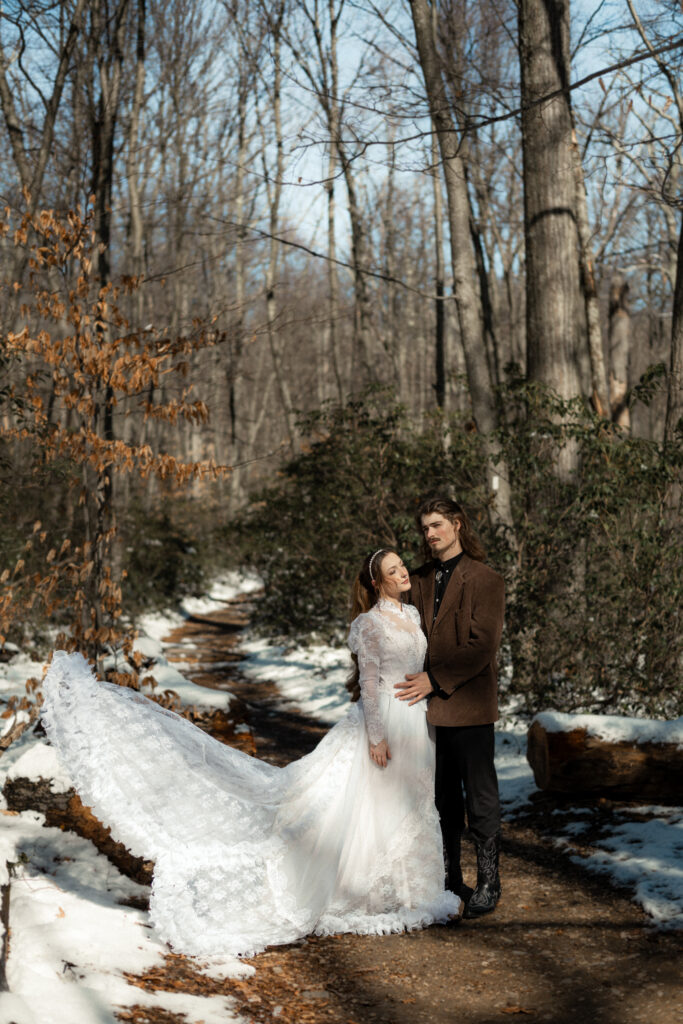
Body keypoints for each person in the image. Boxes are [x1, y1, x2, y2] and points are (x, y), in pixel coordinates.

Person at [41, 548, 459, 959]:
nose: (404, 572)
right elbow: (368, 684)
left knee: (414, 803)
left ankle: (415, 893)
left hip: (417, 721)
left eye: (403, 565)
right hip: (384, 719)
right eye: (393, 569)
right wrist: (376, 736)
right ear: (376, 581)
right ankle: (364, 894)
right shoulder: (369, 625)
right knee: (374, 806)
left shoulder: (414, 616)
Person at [395, 497, 505, 919]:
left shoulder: (485, 579)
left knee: (479, 796)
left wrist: (435, 679)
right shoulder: (419, 578)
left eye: (437, 525)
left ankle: (490, 881)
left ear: (457, 525)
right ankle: (448, 877)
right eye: (425, 528)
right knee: (439, 799)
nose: (430, 534)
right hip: (424, 712)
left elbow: (483, 645)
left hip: (470, 706)